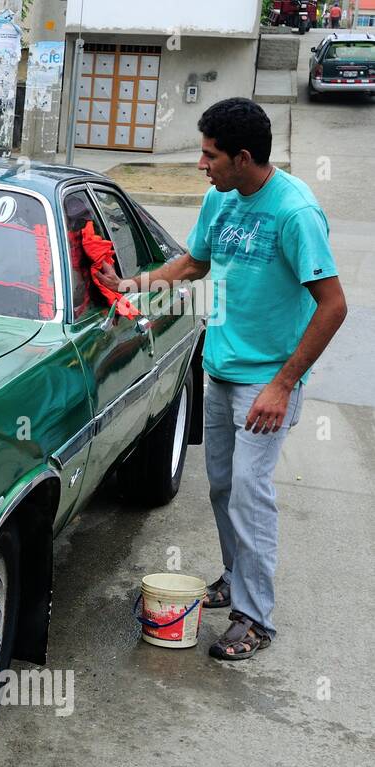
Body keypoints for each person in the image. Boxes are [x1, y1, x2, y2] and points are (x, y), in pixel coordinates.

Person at [97, 98, 347, 661]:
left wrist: (283, 385)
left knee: (251, 497)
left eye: (210, 156)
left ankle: (254, 618)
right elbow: (194, 265)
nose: (202, 166)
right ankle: (235, 579)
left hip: (267, 381)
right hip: (221, 369)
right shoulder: (220, 198)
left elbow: (332, 306)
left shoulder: (294, 212)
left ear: (242, 157)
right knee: (222, 488)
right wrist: (134, 283)